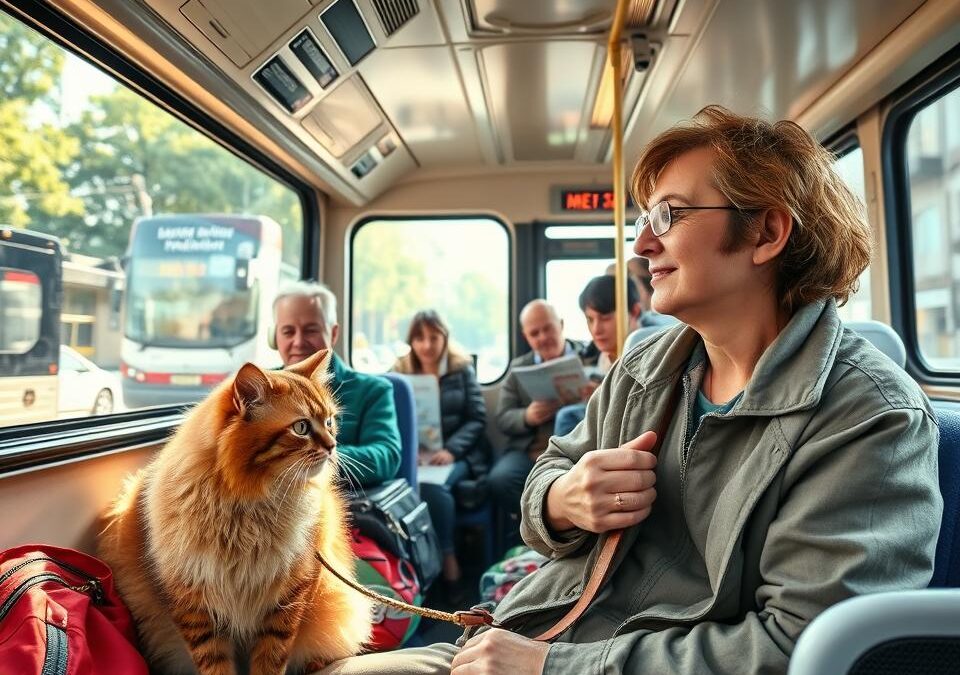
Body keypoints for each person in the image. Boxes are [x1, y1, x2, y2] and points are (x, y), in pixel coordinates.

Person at [313, 106, 941, 674]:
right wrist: (565, 499)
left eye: (669, 214)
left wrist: (549, 667)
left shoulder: (868, 417)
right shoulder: (647, 369)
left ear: (766, 233)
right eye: (645, 220)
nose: (642, 246)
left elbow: (801, 648)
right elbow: (544, 482)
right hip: (534, 628)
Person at [391, 310, 489, 588]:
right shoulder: (398, 373)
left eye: (434, 337)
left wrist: (451, 451)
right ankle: (411, 570)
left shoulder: (461, 369)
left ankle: (448, 562)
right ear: (411, 341)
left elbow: (477, 419)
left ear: (445, 338)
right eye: (420, 338)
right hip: (416, 455)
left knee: (435, 491)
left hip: (457, 454)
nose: (427, 345)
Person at [272, 281, 401, 488]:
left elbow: (386, 456)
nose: (298, 341)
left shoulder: (372, 391)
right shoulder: (261, 391)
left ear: (333, 334)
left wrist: (316, 456)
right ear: (274, 337)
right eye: (288, 332)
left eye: (310, 330)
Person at [488, 300, 587, 548]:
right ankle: (532, 536)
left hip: (576, 448)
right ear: (526, 336)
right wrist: (527, 417)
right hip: (529, 450)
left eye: (548, 328)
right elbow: (503, 417)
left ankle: (568, 538)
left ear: (561, 325)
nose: (543, 337)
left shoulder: (589, 356)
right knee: (500, 479)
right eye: (535, 333)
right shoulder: (518, 368)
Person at [553, 275, 642, 437]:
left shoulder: (644, 349)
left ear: (634, 312)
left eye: (605, 318)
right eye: (590, 319)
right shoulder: (603, 355)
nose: (596, 329)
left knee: (567, 417)